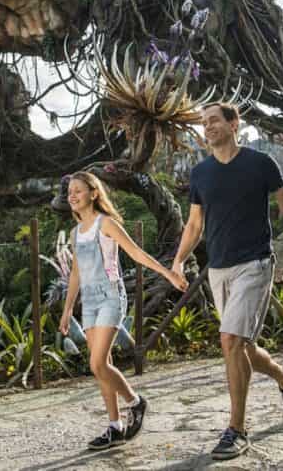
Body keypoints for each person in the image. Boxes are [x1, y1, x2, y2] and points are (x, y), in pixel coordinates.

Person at [171, 102, 283, 461]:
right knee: (241, 346)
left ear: (234, 124)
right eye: (203, 123)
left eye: (214, 120)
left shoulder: (261, 163)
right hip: (218, 268)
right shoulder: (201, 173)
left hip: (255, 264)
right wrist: (179, 260)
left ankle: (237, 430)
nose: (207, 127)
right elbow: (195, 224)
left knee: (230, 339)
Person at [59, 171, 187, 450]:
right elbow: (76, 275)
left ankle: (136, 402)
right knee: (102, 367)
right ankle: (114, 427)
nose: (72, 196)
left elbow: (137, 253)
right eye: (70, 192)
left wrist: (168, 274)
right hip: (89, 302)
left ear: (93, 193)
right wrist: (68, 309)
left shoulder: (107, 224)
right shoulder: (75, 232)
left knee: (97, 363)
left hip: (110, 297)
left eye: (78, 190)